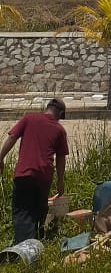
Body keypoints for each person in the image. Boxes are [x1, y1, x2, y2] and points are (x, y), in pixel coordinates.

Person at [0, 98, 69, 243]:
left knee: (22, 212)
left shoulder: (28, 118)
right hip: (43, 177)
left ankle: (25, 248)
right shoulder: (59, 130)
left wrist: (0, 158)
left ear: (47, 108)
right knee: (39, 211)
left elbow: (12, 138)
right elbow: (61, 158)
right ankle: (34, 245)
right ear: (60, 113)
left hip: (23, 174)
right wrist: (60, 181)